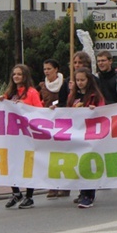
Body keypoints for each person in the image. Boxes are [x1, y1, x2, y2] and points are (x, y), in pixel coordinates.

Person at [0, 64, 43, 209]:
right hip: (12, 135)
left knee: (28, 166)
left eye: (19, 74)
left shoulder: (31, 92)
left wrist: (24, 105)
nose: (16, 77)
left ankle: (29, 196)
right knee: (11, 164)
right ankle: (16, 193)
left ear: (25, 76)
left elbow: (40, 111)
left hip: (27, 135)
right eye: (14, 74)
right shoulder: (10, 92)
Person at [68, 68, 106, 208]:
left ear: (89, 80)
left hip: (90, 135)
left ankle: (88, 194)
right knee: (79, 163)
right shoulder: (73, 96)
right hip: (77, 134)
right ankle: (82, 192)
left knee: (88, 163)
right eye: (77, 80)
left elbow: (103, 113)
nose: (80, 83)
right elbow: (66, 111)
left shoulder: (96, 96)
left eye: (82, 80)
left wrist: (94, 111)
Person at [39, 58, 70, 199]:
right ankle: (52, 186)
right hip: (47, 124)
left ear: (56, 69)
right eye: (45, 69)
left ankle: (65, 186)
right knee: (50, 155)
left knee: (63, 154)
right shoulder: (42, 86)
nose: (46, 72)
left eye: (49, 69)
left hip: (63, 123)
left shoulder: (65, 84)